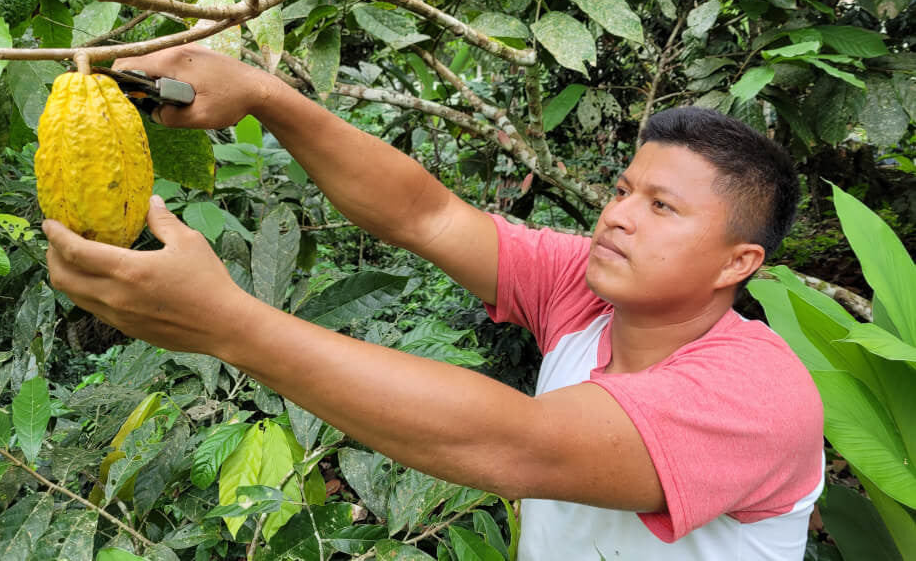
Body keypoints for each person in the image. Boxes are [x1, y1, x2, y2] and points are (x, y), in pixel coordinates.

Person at [43, 43, 825, 560]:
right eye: (623, 189)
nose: (616, 213)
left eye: (662, 207)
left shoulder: (759, 392)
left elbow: (521, 446)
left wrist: (228, 324)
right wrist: (261, 94)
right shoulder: (587, 292)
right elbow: (428, 215)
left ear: (739, 261)